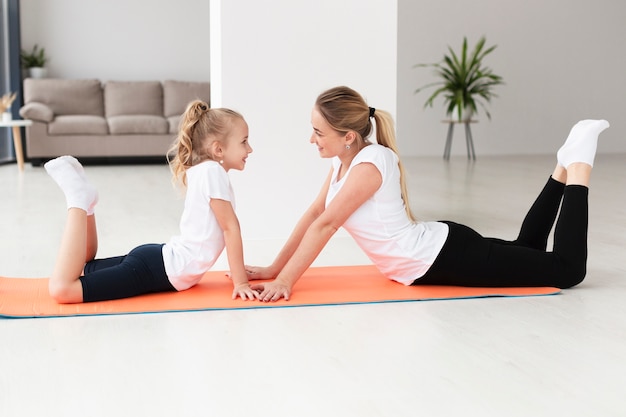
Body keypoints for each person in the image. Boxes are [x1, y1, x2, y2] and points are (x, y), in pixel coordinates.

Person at [247, 85, 610, 302]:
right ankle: (562, 167)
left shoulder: (371, 163)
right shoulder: (344, 161)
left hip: (443, 258)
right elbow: (314, 214)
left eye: (318, 132)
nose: (312, 139)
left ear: (348, 136)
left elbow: (326, 225)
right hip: (442, 247)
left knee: (567, 270)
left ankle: (579, 167)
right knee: (528, 249)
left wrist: (285, 282)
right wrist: (274, 268)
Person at [44, 100, 259, 303]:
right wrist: (241, 283)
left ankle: (88, 205)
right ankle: (78, 200)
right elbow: (230, 228)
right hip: (157, 269)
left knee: (84, 268)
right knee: (62, 289)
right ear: (218, 149)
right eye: (244, 142)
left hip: (156, 260)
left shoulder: (206, 171)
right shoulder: (213, 172)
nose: (249, 149)